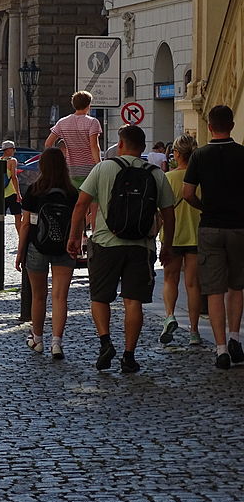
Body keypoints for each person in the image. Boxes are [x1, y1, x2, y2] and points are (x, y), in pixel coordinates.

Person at [67, 124, 174, 373]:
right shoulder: (156, 173)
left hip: (106, 243)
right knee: (133, 301)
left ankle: (106, 342)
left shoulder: (104, 168)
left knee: (100, 297)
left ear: (121, 144)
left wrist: (75, 236)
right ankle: (129, 356)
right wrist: (166, 245)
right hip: (141, 246)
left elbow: (81, 205)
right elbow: (169, 215)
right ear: (144, 148)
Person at [183, 105, 244, 369]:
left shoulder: (200, 155)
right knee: (237, 286)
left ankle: (220, 349)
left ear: (210, 126)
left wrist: (203, 207)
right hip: (239, 227)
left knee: (215, 290)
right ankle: (234, 338)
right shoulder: (242, 154)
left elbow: (187, 194)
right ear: (231, 125)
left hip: (210, 227)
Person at [15, 148, 78, 359]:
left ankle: (37, 339)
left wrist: (20, 252)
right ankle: (57, 343)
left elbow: (25, 225)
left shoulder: (34, 190)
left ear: (42, 166)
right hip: (65, 248)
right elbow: (78, 222)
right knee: (61, 297)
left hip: (37, 247)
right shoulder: (72, 192)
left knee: (39, 295)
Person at [160, 133, 202, 347]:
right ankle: (194, 331)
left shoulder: (167, 179)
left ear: (176, 154)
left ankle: (169, 316)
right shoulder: (202, 178)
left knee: (170, 279)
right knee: (193, 284)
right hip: (196, 234)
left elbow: (160, 212)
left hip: (172, 236)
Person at [45, 90, 102, 188]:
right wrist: (99, 165)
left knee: (73, 200)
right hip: (89, 168)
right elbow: (94, 146)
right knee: (91, 200)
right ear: (88, 105)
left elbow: (48, 144)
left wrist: (59, 161)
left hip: (71, 169)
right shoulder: (92, 122)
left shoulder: (62, 122)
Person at [0, 140, 22, 235]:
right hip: (12, 193)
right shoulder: (12, 161)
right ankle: (21, 239)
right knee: (18, 216)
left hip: (1, 194)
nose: (14, 151)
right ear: (8, 150)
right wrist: (18, 194)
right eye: (13, 149)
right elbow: (14, 177)